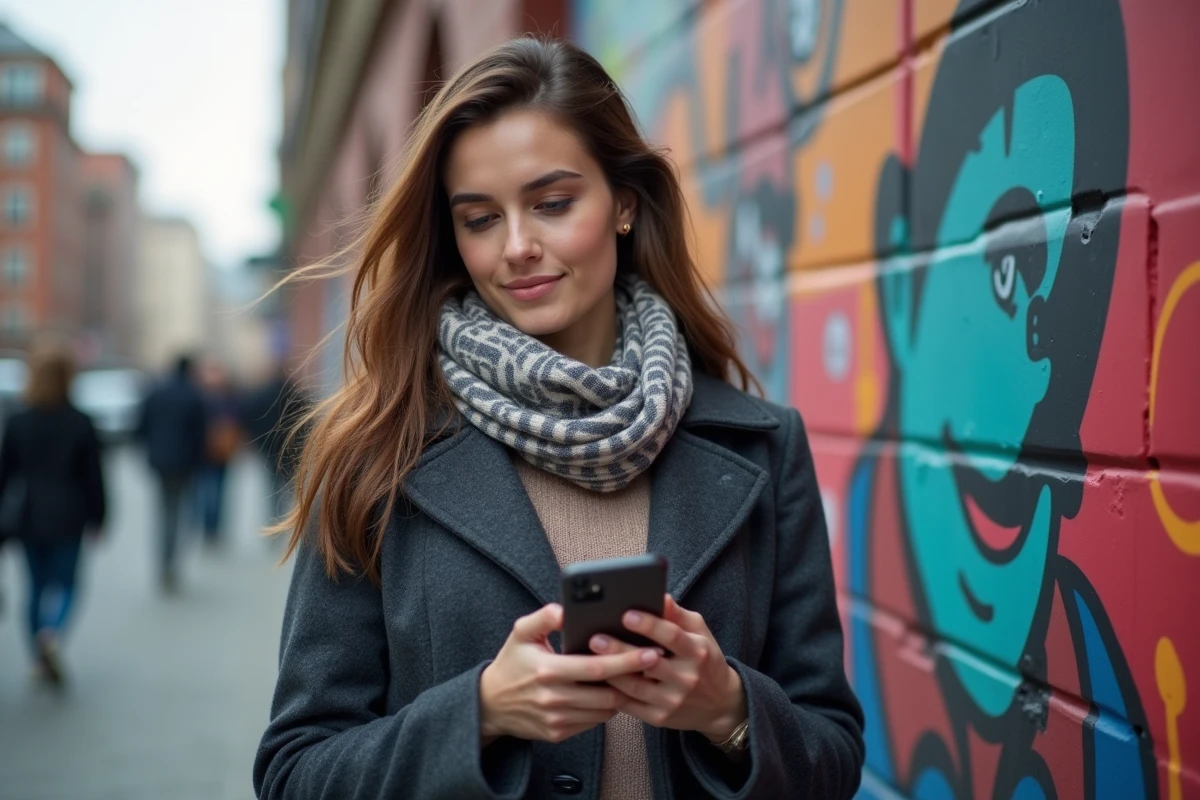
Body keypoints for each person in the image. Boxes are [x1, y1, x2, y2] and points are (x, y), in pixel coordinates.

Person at [254, 37, 864, 800]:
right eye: (480, 219)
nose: (516, 247)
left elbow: (834, 755)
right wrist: (478, 714)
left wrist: (730, 711)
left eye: (552, 203)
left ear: (624, 205)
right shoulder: (375, 454)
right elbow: (295, 771)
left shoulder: (764, 448)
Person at [0, 344, 105, 686]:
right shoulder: (81, 422)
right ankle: (51, 632)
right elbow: (94, 477)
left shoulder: (18, 420)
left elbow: (5, 474)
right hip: (69, 516)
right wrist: (100, 517)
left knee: (34, 587)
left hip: (28, 516)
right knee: (68, 584)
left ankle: (36, 655)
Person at [137, 354, 207, 593]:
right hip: (185, 466)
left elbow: (141, 427)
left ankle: (163, 562)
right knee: (179, 514)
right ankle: (172, 563)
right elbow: (200, 436)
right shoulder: (194, 396)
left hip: (160, 463)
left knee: (163, 513)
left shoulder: (156, 392)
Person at [242, 363, 309, 525]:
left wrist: (257, 441)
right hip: (289, 449)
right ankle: (286, 517)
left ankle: (273, 517)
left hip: (267, 448)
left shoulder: (260, 395)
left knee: (271, 485)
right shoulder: (294, 395)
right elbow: (306, 422)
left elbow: (249, 418)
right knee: (288, 485)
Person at [196, 358, 242, 550]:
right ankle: (209, 529)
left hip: (221, 453)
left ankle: (212, 529)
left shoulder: (225, 397)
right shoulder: (207, 397)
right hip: (207, 454)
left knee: (217, 492)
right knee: (210, 492)